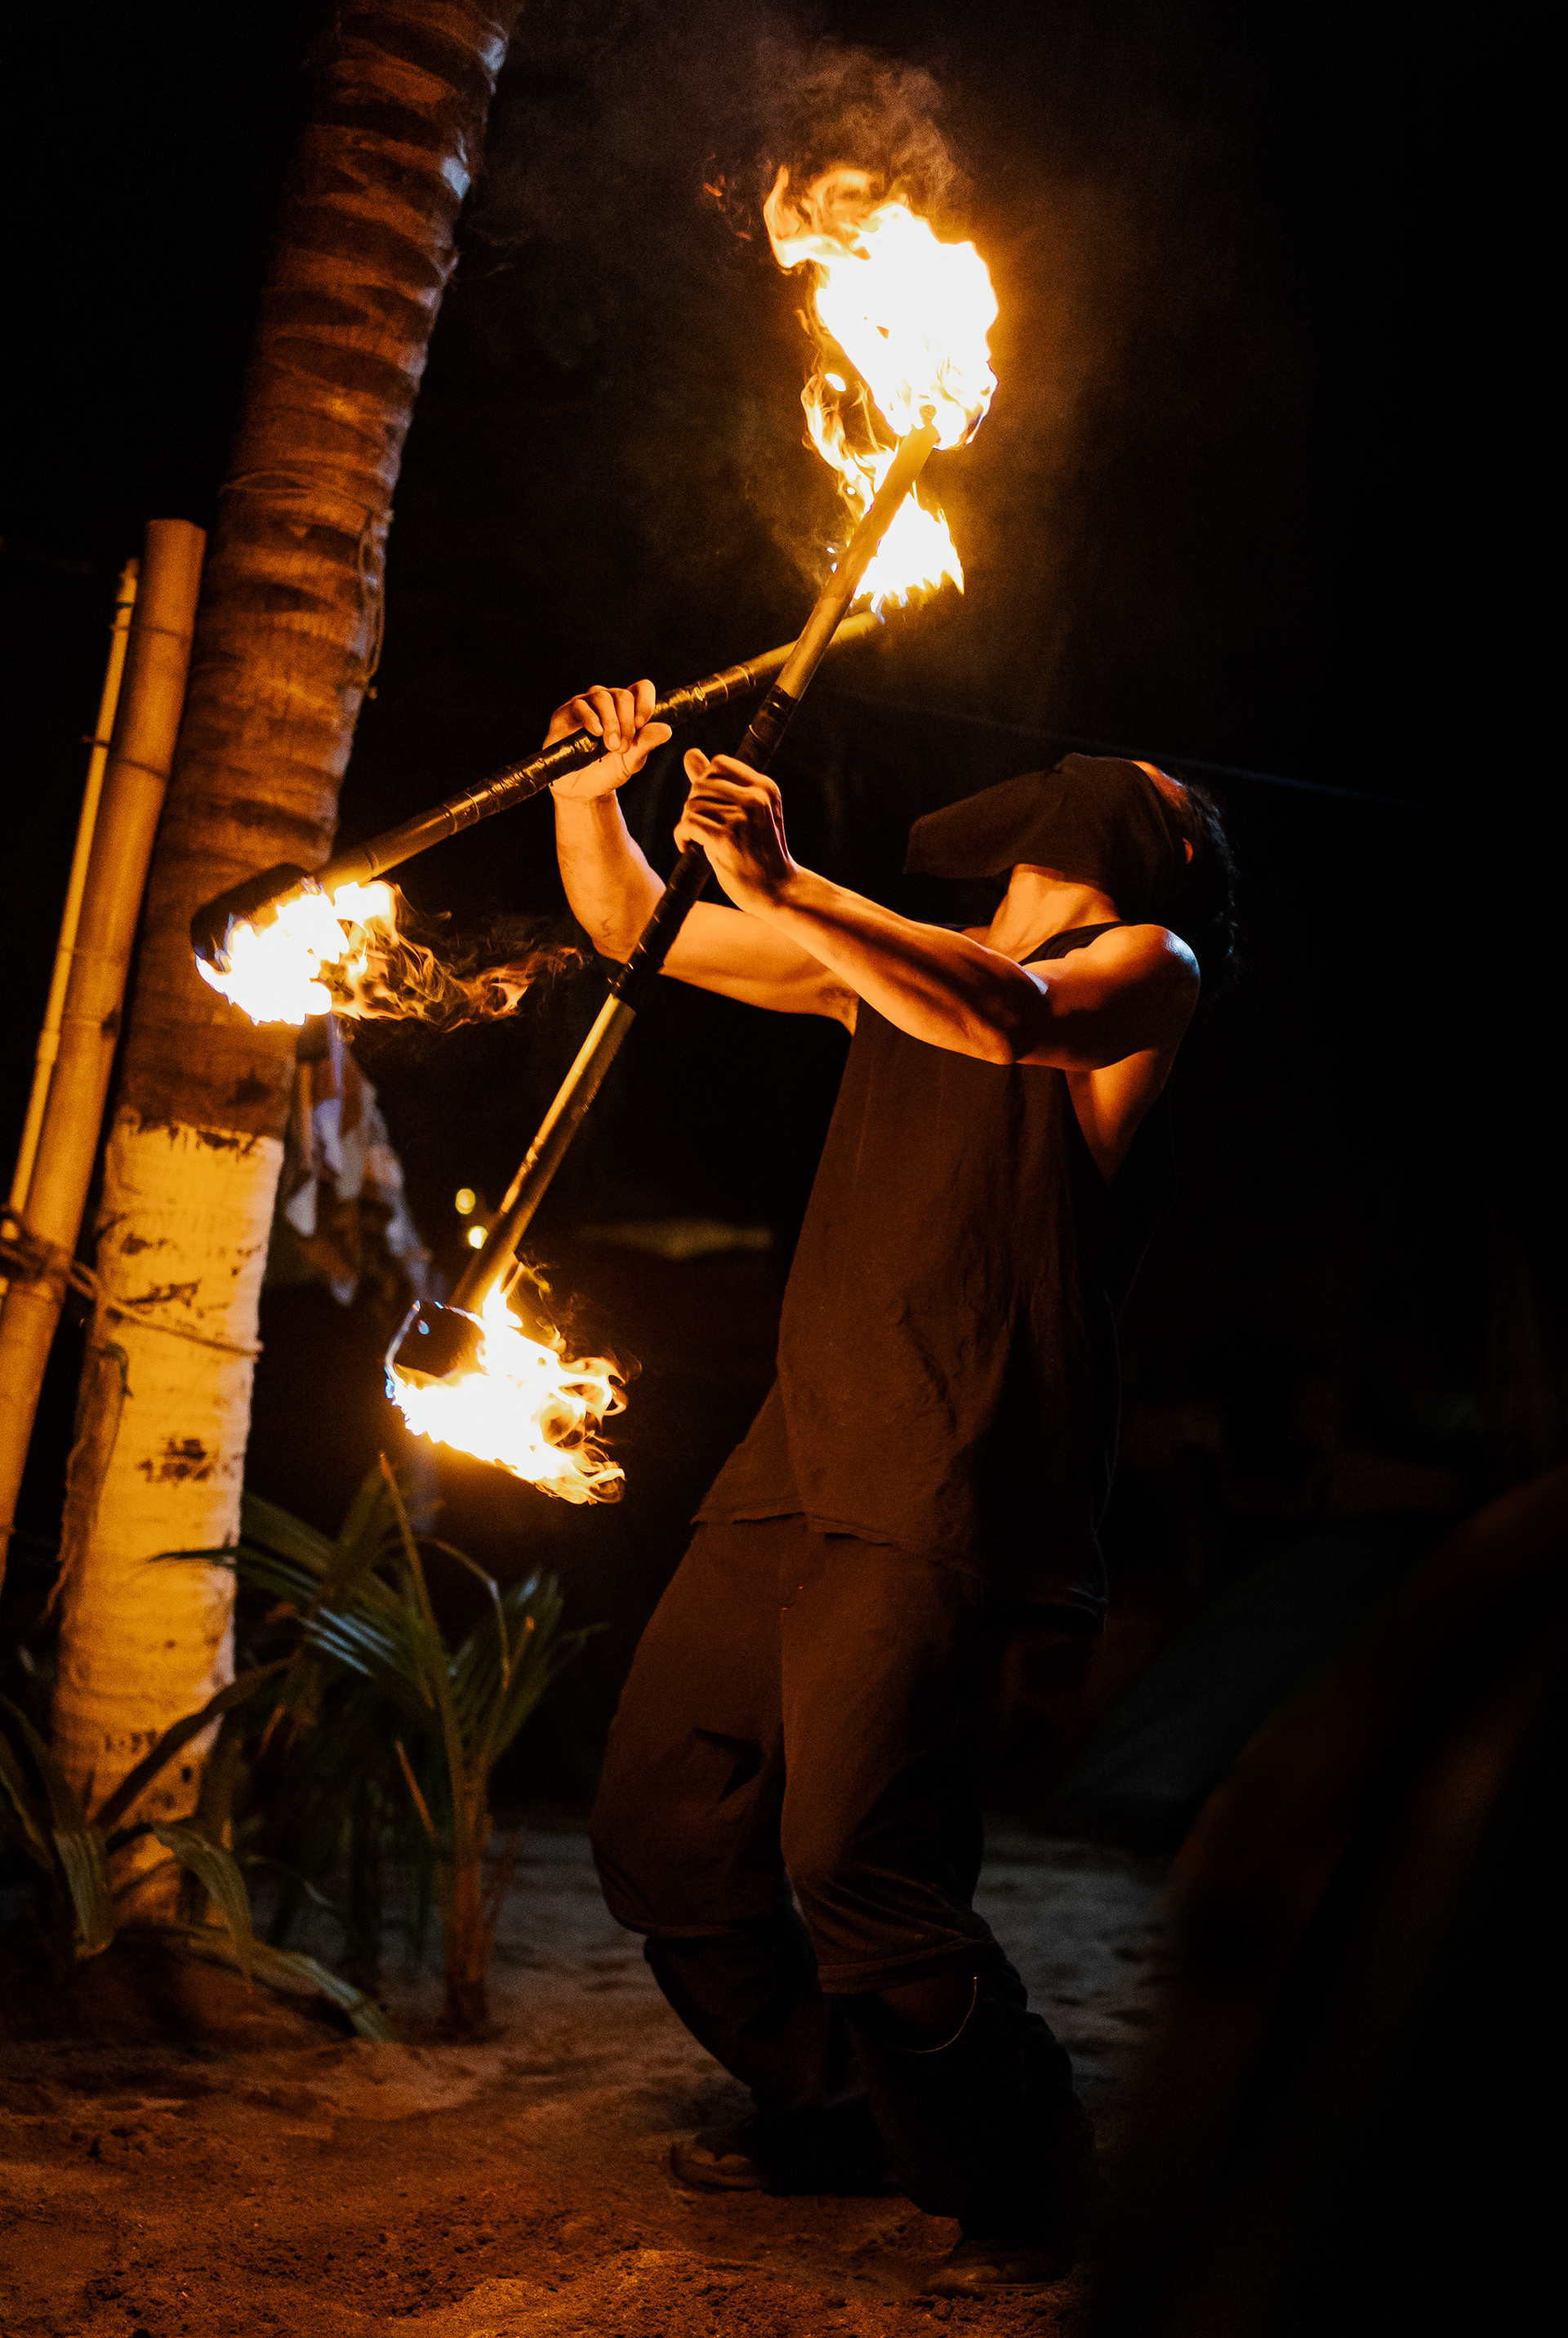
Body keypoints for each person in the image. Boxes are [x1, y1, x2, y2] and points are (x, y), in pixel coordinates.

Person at [545, 679, 1236, 2296]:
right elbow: (642, 926)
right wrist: (601, 794)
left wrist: (791, 888)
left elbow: (996, 1013)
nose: (1130, 774)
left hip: (950, 1463)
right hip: (798, 1452)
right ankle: (837, 2107)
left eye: (1156, 789)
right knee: (660, 1824)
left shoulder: (1149, 971)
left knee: (861, 1868)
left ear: (1167, 858)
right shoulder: (874, 972)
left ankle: (1033, 2181)